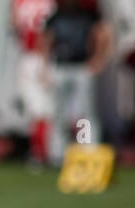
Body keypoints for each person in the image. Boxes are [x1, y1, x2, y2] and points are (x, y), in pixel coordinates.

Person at [42, 0, 112, 165]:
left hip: (81, 66)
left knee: (86, 113)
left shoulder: (87, 15)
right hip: (61, 66)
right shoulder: (56, 16)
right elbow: (46, 39)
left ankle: (88, 150)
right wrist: (45, 66)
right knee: (58, 114)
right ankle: (57, 154)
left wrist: (98, 59)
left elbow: (102, 34)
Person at [14, 0, 57, 169]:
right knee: (38, 109)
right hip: (31, 57)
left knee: (45, 109)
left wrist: (44, 63)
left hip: (38, 58)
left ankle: (45, 152)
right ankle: (40, 153)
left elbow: (47, 33)